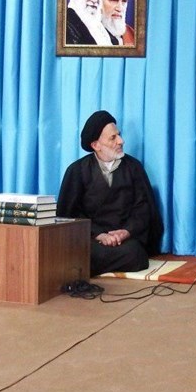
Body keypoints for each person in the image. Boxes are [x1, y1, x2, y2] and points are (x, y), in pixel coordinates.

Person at [57, 110, 163, 276]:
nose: (121, 141)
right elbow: (68, 215)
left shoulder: (133, 167)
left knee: (136, 254)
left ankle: (83, 266)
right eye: (113, 138)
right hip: (92, 239)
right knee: (74, 250)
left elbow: (143, 209)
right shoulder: (77, 171)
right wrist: (99, 234)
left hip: (124, 241)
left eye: (119, 135)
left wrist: (126, 232)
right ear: (96, 145)